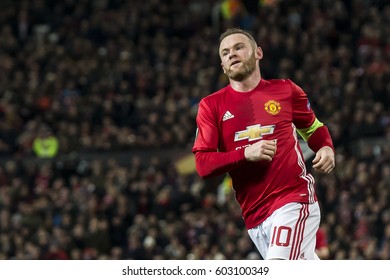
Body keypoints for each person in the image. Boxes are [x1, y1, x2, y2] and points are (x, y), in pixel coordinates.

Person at [192, 28, 335, 260]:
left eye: (239, 47)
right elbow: (202, 164)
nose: (232, 54)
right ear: (222, 65)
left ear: (258, 52)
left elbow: (313, 127)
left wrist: (326, 146)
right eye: (225, 52)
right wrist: (245, 153)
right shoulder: (211, 106)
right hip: (254, 217)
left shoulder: (285, 90)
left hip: (293, 200)